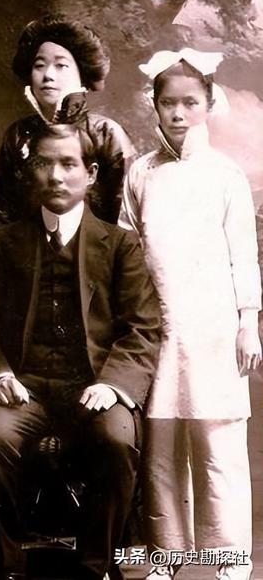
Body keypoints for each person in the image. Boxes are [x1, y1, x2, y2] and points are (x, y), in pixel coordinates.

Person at [0, 124, 161, 580]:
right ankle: (7, 569)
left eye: (68, 164)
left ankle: (94, 568)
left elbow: (143, 328)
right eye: (44, 163)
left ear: (91, 174)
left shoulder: (120, 246)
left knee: (117, 438)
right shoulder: (4, 242)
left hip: (92, 390)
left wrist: (112, 384)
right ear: (30, 172)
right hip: (24, 391)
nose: (55, 175)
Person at [119, 49, 262, 580]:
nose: (178, 113)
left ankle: (228, 561)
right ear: (154, 105)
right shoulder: (140, 174)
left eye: (189, 102)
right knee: (160, 449)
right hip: (158, 325)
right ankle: (166, 556)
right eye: (168, 103)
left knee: (218, 446)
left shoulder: (225, 174)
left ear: (208, 103)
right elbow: (128, 251)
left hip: (215, 325)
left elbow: (243, 253)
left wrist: (248, 322)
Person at [0, 15, 135, 228]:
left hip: (94, 247)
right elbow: (1, 217)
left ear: (81, 74)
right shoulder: (18, 134)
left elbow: (123, 221)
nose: (48, 75)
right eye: (40, 65)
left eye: (61, 65)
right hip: (27, 248)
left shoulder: (107, 134)